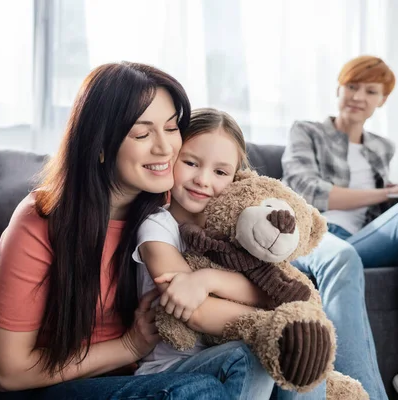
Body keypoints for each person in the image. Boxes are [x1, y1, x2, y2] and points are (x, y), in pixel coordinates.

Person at [0, 62, 233, 399]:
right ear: (100, 145)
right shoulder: (40, 221)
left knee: (266, 358)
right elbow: (8, 371)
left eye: (172, 127)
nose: (165, 148)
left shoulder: (171, 200)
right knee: (197, 391)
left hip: (144, 377)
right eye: (143, 134)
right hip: (55, 388)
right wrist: (128, 346)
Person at [282, 55, 398, 400]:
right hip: (318, 236)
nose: (359, 96)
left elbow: (380, 204)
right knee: (342, 252)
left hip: (361, 239)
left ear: (383, 100)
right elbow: (306, 190)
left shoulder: (381, 147)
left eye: (371, 90)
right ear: (338, 88)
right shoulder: (307, 130)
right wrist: (391, 191)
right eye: (352, 86)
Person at [132, 107, 318, 400]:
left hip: (224, 352)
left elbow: (276, 288)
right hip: (172, 368)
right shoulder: (157, 226)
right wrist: (276, 320)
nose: (203, 180)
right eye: (191, 163)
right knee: (263, 349)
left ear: (235, 178)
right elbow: (195, 311)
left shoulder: (239, 228)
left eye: (220, 172)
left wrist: (208, 280)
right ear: (172, 158)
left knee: (303, 353)